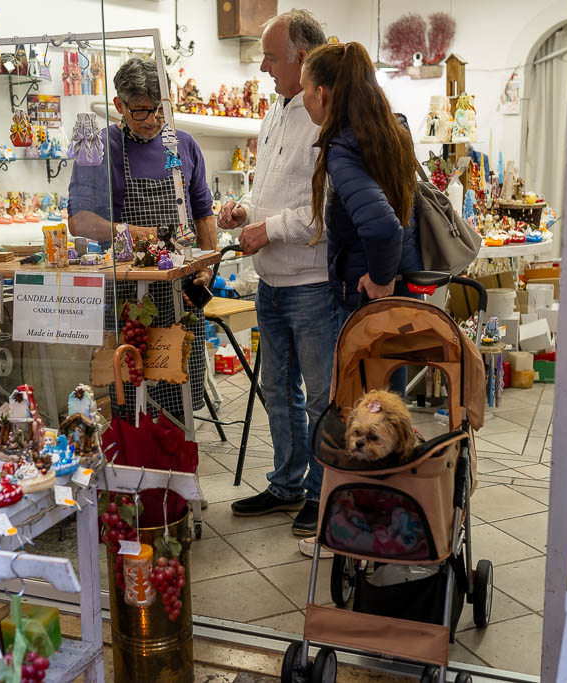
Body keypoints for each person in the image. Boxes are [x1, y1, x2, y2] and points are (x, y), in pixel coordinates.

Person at [219, 11, 338, 539]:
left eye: (271, 56)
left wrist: (268, 229)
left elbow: (326, 212)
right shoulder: (274, 114)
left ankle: (321, 492)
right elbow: (267, 189)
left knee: (319, 397)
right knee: (276, 390)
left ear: (303, 57)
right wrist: (245, 211)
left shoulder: (325, 116)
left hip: (311, 284)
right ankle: (287, 483)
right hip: (271, 282)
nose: (263, 65)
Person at [68, 58, 216, 419]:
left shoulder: (183, 144)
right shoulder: (100, 149)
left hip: (179, 288)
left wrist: (207, 265)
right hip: (128, 293)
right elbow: (79, 221)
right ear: (119, 105)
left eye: (159, 109)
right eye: (140, 111)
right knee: (131, 390)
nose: (152, 120)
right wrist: (137, 234)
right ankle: (136, 458)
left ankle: (176, 456)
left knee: (178, 385)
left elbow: (203, 214)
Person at [301, 41, 422, 314]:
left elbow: (383, 226)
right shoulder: (389, 132)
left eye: (304, 89)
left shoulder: (342, 149)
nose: (303, 98)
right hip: (404, 290)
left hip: (370, 301)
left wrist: (380, 278)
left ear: (321, 94)